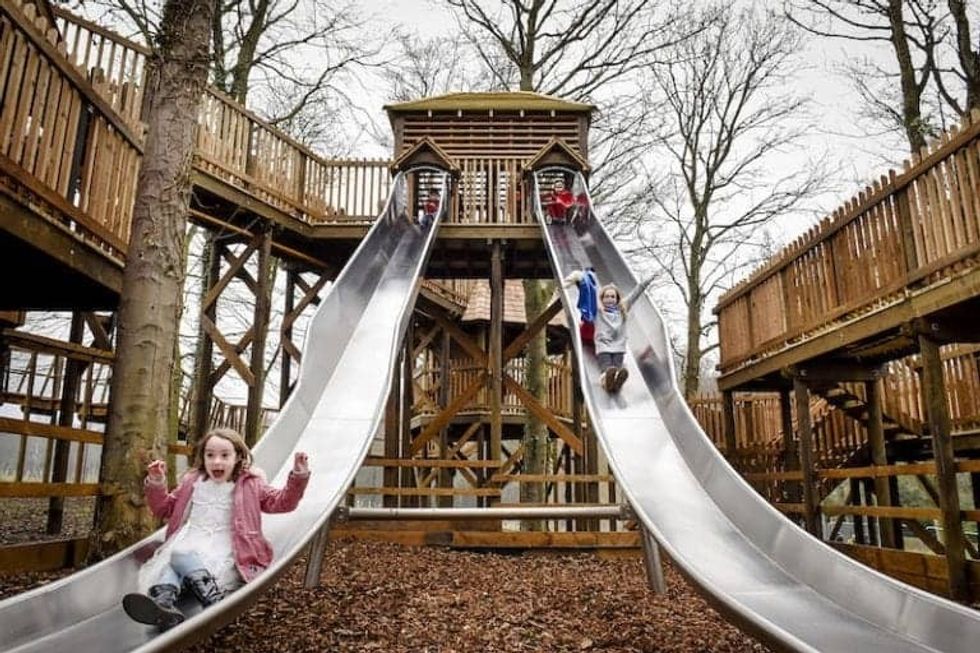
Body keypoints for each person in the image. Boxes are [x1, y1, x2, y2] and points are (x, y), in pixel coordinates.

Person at [122, 427, 311, 631]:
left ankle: (208, 596)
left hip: (226, 546)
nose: (216, 461)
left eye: (224, 455)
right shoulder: (192, 481)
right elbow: (162, 508)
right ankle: (165, 605)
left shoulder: (250, 483)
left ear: (238, 457)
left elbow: (282, 503)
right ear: (202, 457)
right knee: (171, 562)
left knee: (177, 557)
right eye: (210, 455)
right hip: (191, 538)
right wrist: (157, 482)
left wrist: (298, 477)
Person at [564, 271, 654, 393]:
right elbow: (588, 297)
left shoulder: (622, 308)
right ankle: (605, 380)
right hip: (595, 339)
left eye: (613, 297)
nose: (610, 299)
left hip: (615, 345)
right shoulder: (598, 310)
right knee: (606, 363)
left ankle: (615, 381)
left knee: (616, 365)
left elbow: (634, 295)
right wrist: (580, 280)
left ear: (617, 299)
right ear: (602, 298)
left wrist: (645, 283)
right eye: (607, 297)